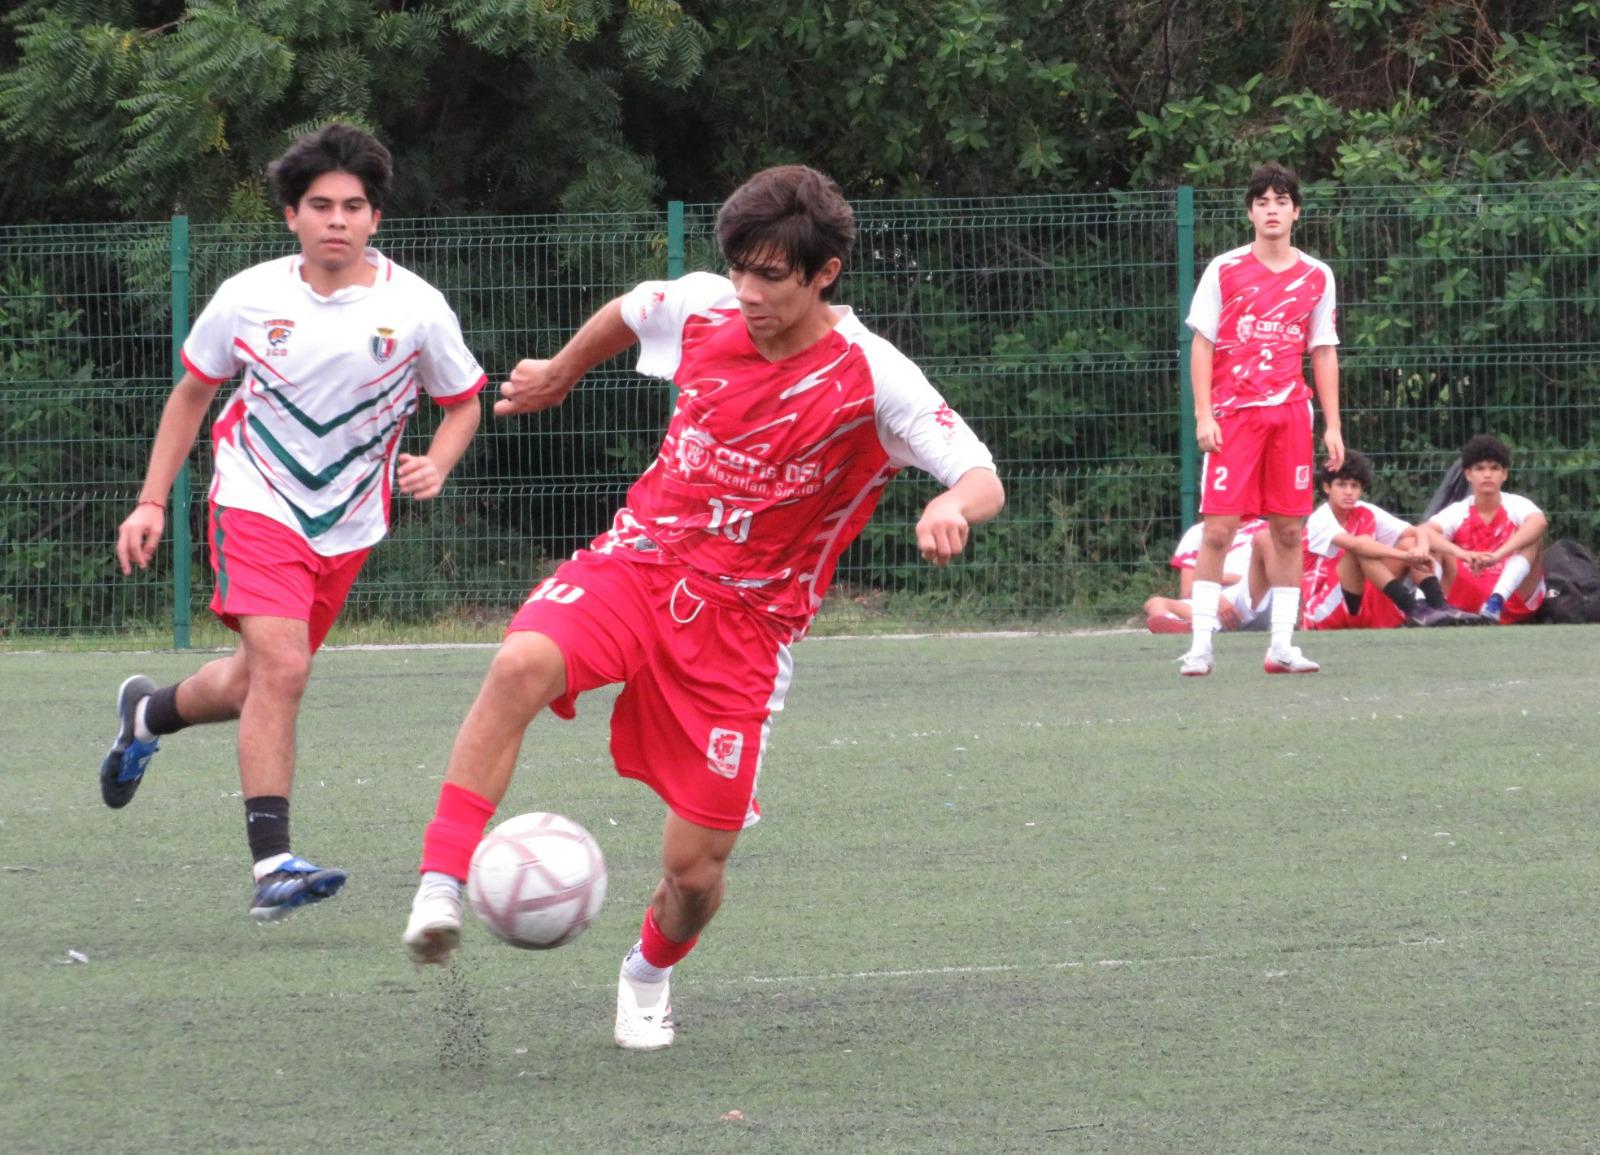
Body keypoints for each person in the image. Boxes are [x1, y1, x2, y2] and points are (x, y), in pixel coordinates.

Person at [400, 165, 1005, 1051]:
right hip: (641, 562)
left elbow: (981, 471)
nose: (749, 293)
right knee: (519, 661)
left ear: (824, 272)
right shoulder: (703, 308)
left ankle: (646, 973)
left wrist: (952, 505)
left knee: (694, 872)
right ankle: (439, 886)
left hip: (745, 630)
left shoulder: (874, 377)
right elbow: (633, 309)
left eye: (772, 276)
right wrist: (563, 372)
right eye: (740, 271)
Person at [102, 125, 486, 920]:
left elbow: (462, 402)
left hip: (347, 524)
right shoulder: (248, 296)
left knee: (253, 680)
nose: (336, 220)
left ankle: (146, 715)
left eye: (353, 206)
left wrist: (439, 462)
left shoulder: (416, 307)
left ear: (375, 217)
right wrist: (149, 499)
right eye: (320, 205)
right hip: (253, 498)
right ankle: (273, 861)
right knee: (283, 667)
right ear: (291, 216)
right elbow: (191, 395)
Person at [1178, 162, 1343, 676]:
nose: (1272, 210)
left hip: (1291, 417)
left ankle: (1281, 647)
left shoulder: (1317, 275)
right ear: (1250, 211)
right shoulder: (1224, 269)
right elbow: (1202, 344)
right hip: (1235, 417)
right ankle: (1201, 645)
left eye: (1282, 201)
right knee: (1220, 529)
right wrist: (1204, 414)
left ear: (1296, 211)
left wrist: (1333, 425)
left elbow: (1324, 351)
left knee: (1289, 531)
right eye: (1262, 202)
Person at [1301, 449, 1478, 630]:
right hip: (1321, 611)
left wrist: (1441, 552)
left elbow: (1419, 532)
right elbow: (1359, 545)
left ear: (1361, 489)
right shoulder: (1320, 518)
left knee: (1410, 542)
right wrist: (1406, 557)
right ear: (1326, 487)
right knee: (1362, 549)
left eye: (1354, 486)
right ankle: (1412, 608)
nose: (1348, 492)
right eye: (1341, 485)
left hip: (1363, 600)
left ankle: (1439, 606)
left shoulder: (1365, 511)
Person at [1422, 435, 1547, 623]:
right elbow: (1424, 531)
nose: (1487, 475)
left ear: (1504, 474)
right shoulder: (1458, 511)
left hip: (1513, 597)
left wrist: (1498, 555)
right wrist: (1462, 553)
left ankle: (1496, 600)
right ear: (1468, 474)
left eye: (1494, 468)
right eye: (1480, 468)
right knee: (1432, 542)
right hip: (1468, 594)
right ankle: (1428, 606)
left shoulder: (1516, 504)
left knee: (1534, 539)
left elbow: (1539, 523)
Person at [1144, 516, 1266, 632]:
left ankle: (1198, 627)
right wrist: (1214, 597)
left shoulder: (1265, 530)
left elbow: (1272, 577)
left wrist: (1222, 580)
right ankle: (1186, 627)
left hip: (1252, 597)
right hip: (1209, 602)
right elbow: (1187, 591)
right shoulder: (1196, 532)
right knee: (1154, 603)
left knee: (1264, 539)